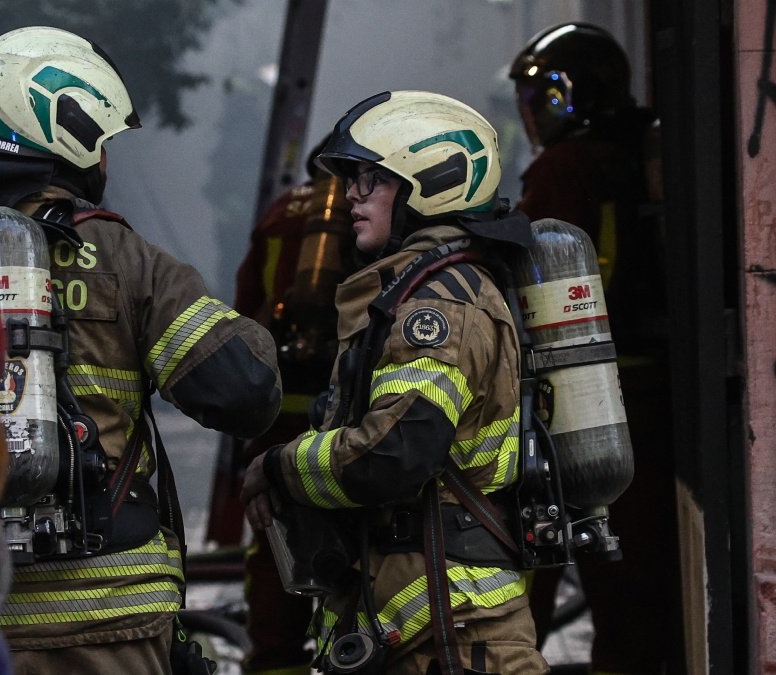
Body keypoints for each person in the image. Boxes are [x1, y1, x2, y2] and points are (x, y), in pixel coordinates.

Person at [0, 26, 282, 674]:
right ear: (67, 130)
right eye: (102, 143)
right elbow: (244, 390)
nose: (105, 163)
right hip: (109, 625)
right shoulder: (120, 258)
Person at [241, 90, 550, 674]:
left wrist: (279, 465)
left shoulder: (435, 309)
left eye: (370, 180)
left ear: (430, 184)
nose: (350, 195)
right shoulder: (410, 293)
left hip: (451, 637)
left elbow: (394, 454)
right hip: (422, 630)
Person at [510, 22, 680, 673]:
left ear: (565, 94)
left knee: (577, 565)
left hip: (585, 396)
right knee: (644, 575)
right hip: (657, 382)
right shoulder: (643, 145)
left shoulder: (565, 167)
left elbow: (530, 274)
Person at [229, 138, 355, 674]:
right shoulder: (371, 210)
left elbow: (245, 308)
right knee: (354, 557)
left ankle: (275, 661)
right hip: (350, 416)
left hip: (279, 414)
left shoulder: (281, 213)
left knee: (274, 555)